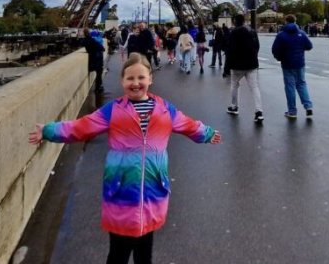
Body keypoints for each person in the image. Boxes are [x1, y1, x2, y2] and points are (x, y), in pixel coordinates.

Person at [28, 54, 221, 264]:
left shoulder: (166, 109)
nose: (135, 83)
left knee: (144, 254)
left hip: (152, 193)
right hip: (121, 193)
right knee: (118, 253)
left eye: (141, 77)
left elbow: (188, 125)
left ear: (150, 79)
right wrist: (48, 130)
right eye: (130, 78)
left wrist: (207, 133)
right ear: (122, 81)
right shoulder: (113, 111)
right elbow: (82, 127)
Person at [271, 14, 313, 119]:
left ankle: (292, 111)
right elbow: (309, 46)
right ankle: (308, 106)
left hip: (287, 64)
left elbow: (275, 50)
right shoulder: (301, 33)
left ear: (286, 22)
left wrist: (279, 58)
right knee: (302, 84)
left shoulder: (281, 35)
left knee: (290, 87)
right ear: (295, 21)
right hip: (300, 63)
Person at [225, 14, 263, 122]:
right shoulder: (252, 31)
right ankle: (259, 111)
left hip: (237, 64)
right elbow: (257, 46)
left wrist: (226, 68)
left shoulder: (233, 33)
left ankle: (234, 107)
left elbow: (230, 50)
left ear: (235, 21)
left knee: (234, 85)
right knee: (254, 87)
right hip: (251, 63)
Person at [84, 28, 106, 94]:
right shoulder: (97, 42)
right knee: (99, 74)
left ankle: (99, 87)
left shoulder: (87, 41)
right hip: (99, 59)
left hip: (92, 60)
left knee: (98, 74)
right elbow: (103, 49)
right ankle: (98, 88)